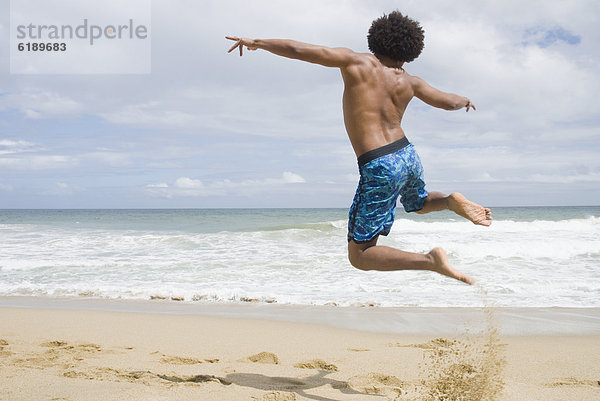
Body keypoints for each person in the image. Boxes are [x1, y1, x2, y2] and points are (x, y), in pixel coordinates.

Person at [226, 11, 492, 285]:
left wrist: (257, 41)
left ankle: (431, 261)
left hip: (379, 163)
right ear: (412, 48)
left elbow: (300, 50)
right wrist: (465, 100)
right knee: (418, 203)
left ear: (376, 38)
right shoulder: (412, 82)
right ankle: (449, 201)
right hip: (407, 155)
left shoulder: (358, 62)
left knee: (361, 255)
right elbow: (447, 102)